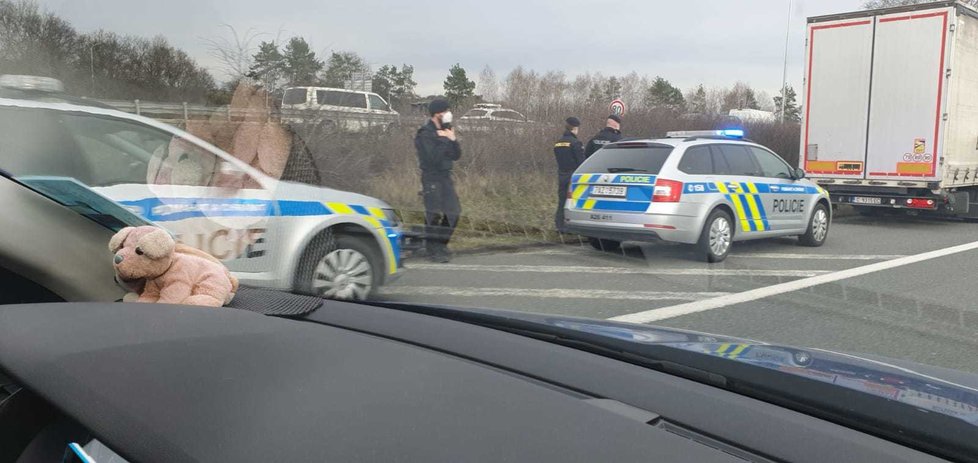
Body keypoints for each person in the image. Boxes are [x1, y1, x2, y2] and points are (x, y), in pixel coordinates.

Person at [414, 98, 462, 263]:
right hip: (431, 177)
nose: (448, 114)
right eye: (445, 111)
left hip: (445, 177)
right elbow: (431, 158)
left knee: (454, 212)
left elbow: (456, 155)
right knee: (433, 214)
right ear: (437, 113)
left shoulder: (446, 130)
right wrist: (442, 139)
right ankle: (432, 249)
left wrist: (452, 139)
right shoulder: (425, 133)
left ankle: (441, 244)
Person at [553, 116, 584, 232]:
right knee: (573, 201)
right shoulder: (576, 143)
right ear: (575, 128)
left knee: (562, 200)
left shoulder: (558, 143)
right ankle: (573, 225)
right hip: (573, 175)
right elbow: (581, 161)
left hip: (561, 174)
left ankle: (559, 225)